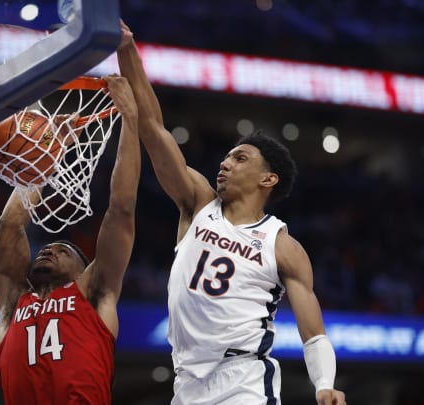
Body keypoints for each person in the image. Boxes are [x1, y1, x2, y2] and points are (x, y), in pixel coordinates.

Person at [117, 22, 346, 405]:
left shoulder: (282, 245)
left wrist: (324, 384)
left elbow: (314, 329)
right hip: (186, 381)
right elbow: (154, 128)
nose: (225, 164)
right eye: (225, 157)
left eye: (240, 158)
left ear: (268, 178)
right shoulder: (198, 203)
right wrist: (126, 48)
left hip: (242, 381)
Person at [0, 74, 139, 404]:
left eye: (63, 250)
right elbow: (10, 224)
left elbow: (121, 209)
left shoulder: (94, 294)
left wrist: (130, 119)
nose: (48, 250)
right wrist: (45, 157)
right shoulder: (13, 305)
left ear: (83, 271)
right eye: (47, 247)